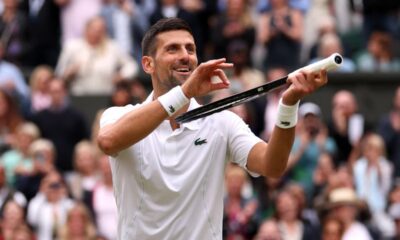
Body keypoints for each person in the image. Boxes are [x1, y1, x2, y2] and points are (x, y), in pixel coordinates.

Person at [97, 17, 328, 239]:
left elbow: (273, 165)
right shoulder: (120, 115)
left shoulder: (222, 122)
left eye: (190, 49)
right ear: (148, 64)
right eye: (172, 49)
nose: (185, 56)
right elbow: (108, 141)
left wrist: (289, 103)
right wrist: (184, 93)